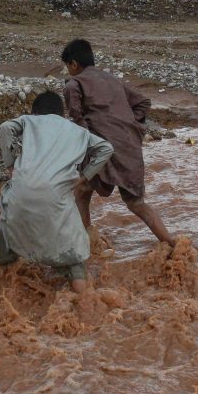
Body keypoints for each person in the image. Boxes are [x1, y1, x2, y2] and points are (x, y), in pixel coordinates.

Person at [0, 91, 114, 293]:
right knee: (74, 249)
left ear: (35, 112)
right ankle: (83, 301)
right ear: (62, 113)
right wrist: (86, 176)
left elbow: (5, 127)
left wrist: (10, 164)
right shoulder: (78, 131)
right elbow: (106, 148)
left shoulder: (29, 121)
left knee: (8, 217)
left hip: (21, 190)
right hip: (57, 194)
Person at [61, 39, 176, 247]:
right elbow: (143, 103)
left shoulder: (74, 85)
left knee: (82, 191)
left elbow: (78, 124)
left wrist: (88, 146)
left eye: (67, 66)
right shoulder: (112, 80)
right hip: (130, 148)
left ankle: (88, 242)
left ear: (74, 64)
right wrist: (131, 126)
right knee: (137, 203)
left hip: (102, 150)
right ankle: (172, 244)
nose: (68, 70)